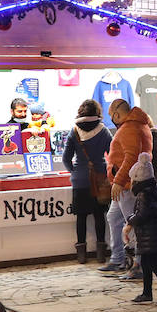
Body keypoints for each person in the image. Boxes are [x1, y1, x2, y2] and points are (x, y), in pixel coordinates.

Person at [98, 99, 153, 277]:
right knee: (113, 217)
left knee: (134, 224)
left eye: (110, 114)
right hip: (126, 184)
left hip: (127, 185)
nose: (110, 117)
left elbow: (131, 158)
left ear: (116, 113)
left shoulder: (130, 127)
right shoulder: (137, 124)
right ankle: (118, 259)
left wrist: (118, 181)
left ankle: (138, 265)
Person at [123, 152, 157, 304]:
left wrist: (129, 221)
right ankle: (147, 293)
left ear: (137, 179)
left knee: (153, 265)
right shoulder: (152, 189)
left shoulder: (144, 194)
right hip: (150, 234)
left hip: (150, 235)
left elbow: (143, 215)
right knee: (147, 264)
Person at [62, 99, 112, 263]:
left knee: (81, 217)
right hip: (99, 179)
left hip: (80, 180)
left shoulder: (74, 130)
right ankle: (100, 253)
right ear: (97, 112)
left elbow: (66, 158)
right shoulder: (103, 131)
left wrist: (75, 172)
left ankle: (81, 254)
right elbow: (112, 154)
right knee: (99, 216)